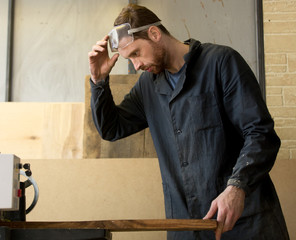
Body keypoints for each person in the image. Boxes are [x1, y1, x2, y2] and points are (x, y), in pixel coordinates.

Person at [88, 4, 289, 240]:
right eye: (129, 59)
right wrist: (99, 80)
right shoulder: (148, 86)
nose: (137, 65)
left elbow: (260, 133)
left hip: (244, 223)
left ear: (154, 33)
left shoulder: (221, 63)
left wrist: (236, 187)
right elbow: (112, 129)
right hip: (187, 227)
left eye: (135, 53)